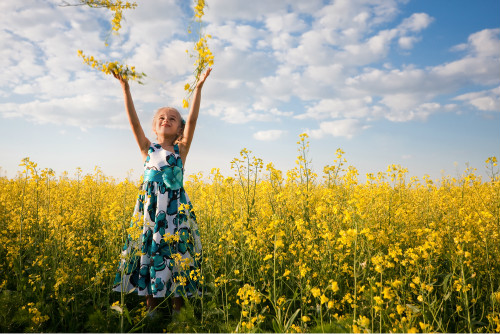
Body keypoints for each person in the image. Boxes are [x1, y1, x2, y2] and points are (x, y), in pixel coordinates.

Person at [112, 68, 211, 316]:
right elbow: (133, 121)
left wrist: (198, 87)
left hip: (176, 210)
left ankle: (179, 311)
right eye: (161, 118)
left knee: (178, 253)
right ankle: (151, 309)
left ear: (180, 129)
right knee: (150, 251)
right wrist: (125, 88)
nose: (166, 120)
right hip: (151, 209)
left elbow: (195, 119)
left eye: (173, 118)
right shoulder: (147, 148)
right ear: (155, 128)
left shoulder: (181, 149)